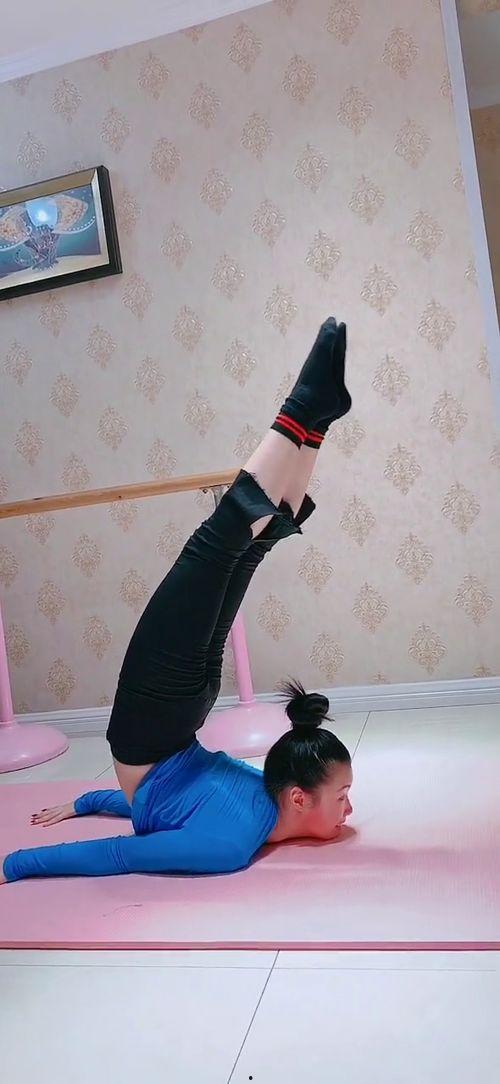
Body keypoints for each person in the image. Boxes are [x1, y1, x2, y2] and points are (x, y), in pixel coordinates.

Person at [1, 317, 354, 886]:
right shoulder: (237, 829)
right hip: (155, 730)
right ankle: (309, 413)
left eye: (342, 796)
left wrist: (36, 845)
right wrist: (67, 821)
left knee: (235, 550)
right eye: (342, 796)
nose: (348, 809)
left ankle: (312, 419)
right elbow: (146, 826)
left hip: (180, 717)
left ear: (296, 796)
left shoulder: (245, 811)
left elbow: (131, 841)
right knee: (224, 551)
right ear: (294, 794)